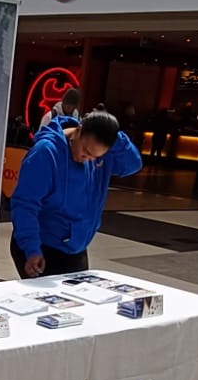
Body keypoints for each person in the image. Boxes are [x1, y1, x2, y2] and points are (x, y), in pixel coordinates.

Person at [10, 109, 142, 278]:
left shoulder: (100, 155)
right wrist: (31, 249)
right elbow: (25, 204)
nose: (87, 158)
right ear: (78, 130)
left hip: (75, 246)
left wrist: (115, 137)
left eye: (94, 156)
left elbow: (133, 165)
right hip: (44, 245)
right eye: (85, 150)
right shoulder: (46, 152)